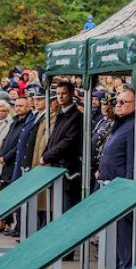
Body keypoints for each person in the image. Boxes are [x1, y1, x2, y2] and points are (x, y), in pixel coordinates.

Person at [97, 87, 136, 269]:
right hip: (111, 188)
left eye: (123, 102)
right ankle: (120, 268)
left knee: (126, 236)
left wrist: (128, 190)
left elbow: (135, 163)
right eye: (117, 102)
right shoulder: (121, 124)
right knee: (117, 235)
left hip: (123, 191)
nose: (117, 106)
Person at [40, 80, 83, 210]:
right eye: (58, 93)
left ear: (71, 94)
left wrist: (47, 156)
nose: (60, 96)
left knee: (67, 207)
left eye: (64, 93)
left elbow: (67, 142)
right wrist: (45, 155)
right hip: (56, 166)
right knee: (58, 206)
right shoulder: (61, 114)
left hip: (68, 169)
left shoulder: (76, 116)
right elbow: (53, 139)